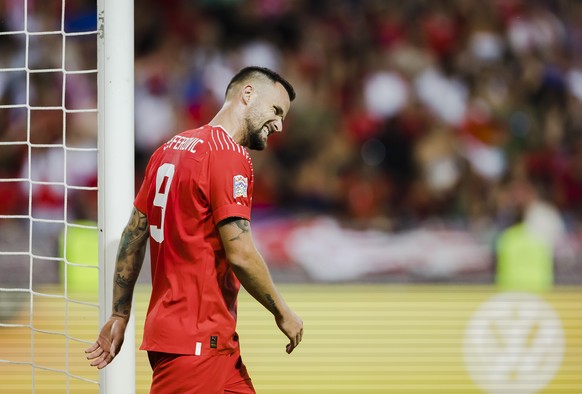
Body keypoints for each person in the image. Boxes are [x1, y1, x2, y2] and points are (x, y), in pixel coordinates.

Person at [85, 66, 304, 393]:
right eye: (275, 111)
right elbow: (241, 252)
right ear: (247, 94)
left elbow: (134, 233)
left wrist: (120, 313)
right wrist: (282, 312)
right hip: (196, 339)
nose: (279, 124)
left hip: (208, 341)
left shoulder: (169, 149)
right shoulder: (229, 155)